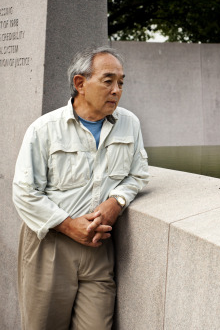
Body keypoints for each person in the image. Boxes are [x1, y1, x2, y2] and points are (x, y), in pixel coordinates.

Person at [12, 46, 149, 329]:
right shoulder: (44, 129)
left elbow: (137, 175)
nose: (117, 90)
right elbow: (25, 192)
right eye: (108, 80)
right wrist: (68, 225)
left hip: (99, 249)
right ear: (80, 83)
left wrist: (117, 202)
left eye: (121, 82)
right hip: (49, 247)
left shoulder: (130, 124)